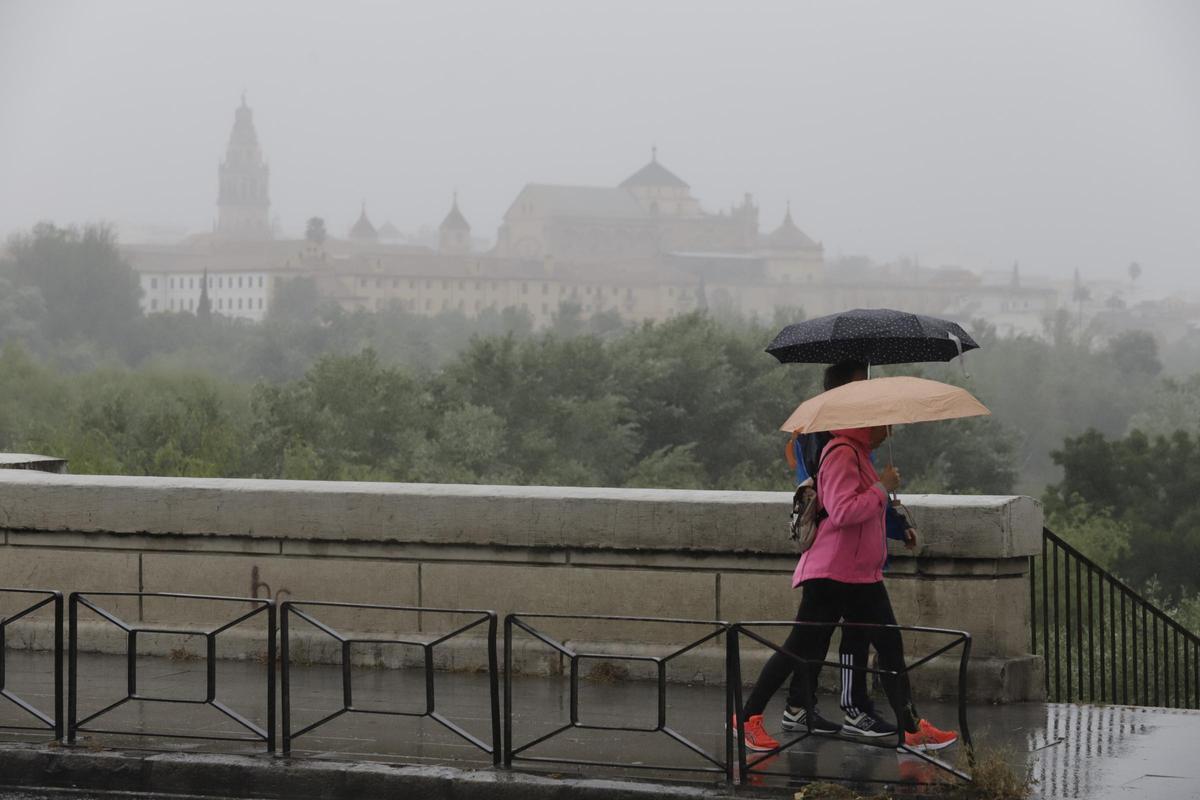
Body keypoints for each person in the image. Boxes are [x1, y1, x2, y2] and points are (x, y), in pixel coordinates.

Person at [735, 422, 958, 754]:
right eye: (885, 424)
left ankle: (911, 729)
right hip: (833, 574)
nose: (890, 430)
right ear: (864, 424)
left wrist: (898, 523)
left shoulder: (858, 455)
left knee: (890, 646)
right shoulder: (841, 453)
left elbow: (867, 509)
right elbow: (842, 512)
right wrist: (882, 488)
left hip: (859, 575)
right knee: (799, 646)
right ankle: (746, 719)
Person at [783, 361, 912, 739]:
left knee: (822, 636)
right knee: (820, 637)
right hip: (836, 557)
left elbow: (864, 494)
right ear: (841, 389)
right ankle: (847, 708)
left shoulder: (847, 438)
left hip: (848, 558)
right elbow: (841, 503)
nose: (867, 392)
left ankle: (799, 707)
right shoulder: (832, 440)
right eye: (861, 384)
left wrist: (897, 524)